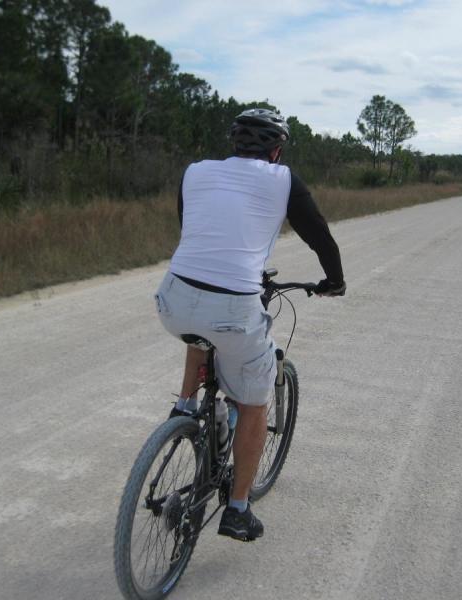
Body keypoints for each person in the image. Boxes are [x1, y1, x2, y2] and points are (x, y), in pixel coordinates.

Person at [154, 108, 345, 541]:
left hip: (173, 299)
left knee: (201, 324)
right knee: (255, 402)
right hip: (234, 310)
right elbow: (318, 233)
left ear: (234, 144)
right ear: (276, 150)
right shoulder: (283, 180)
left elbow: (195, 231)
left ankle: (185, 406)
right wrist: (334, 280)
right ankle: (238, 508)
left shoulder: (196, 171)